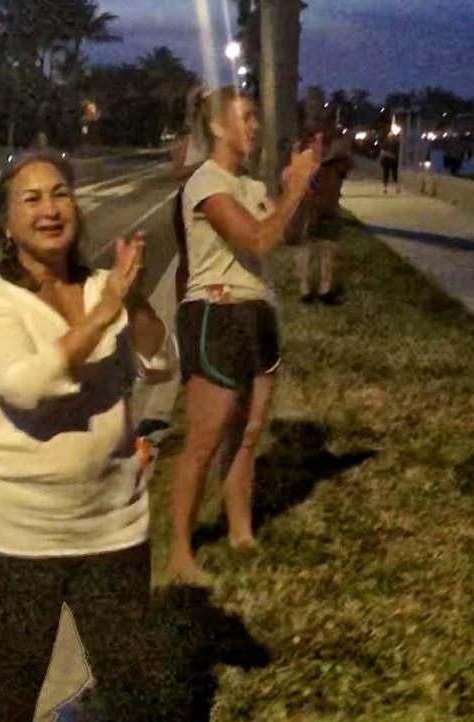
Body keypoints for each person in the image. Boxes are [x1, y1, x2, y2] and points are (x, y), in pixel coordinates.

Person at [0, 151, 185, 722]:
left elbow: (161, 364)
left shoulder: (101, 287)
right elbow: (28, 387)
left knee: (132, 669)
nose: (49, 207)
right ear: (6, 221)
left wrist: (135, 299)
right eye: (30, 199)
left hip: (109, 520)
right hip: (11, 530)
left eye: (59, 193)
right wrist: (103, 315)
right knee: (16, 679)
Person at [167, 86, 321, 582]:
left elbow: (284, 234)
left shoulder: (251, 187)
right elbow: (255, 237)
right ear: (216, 126)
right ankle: (181, 552)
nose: (254, 126)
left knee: (249, 434)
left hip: (258, 314)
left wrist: (298, 186)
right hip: (217, 314)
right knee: (205, 439)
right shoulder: (206, 184)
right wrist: (293, 192)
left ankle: (241, 532)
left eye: (256, 117)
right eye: (246, 117)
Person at [136, 84, 209, 447]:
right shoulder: (194, 140)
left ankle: (183, 405)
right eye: (198, 105)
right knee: (171, 325)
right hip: (189, 238)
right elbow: (178, 169)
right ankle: (159, 411)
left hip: (210, 246)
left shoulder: (224, 141)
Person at [296, 114, 353, 304]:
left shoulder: (337, 156)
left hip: (328, 206)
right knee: (308, 248)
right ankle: (306, 289)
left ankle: (324, 289)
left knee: (327, 248)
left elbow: (345, 167)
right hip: (309, 206)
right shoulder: (303, 151)